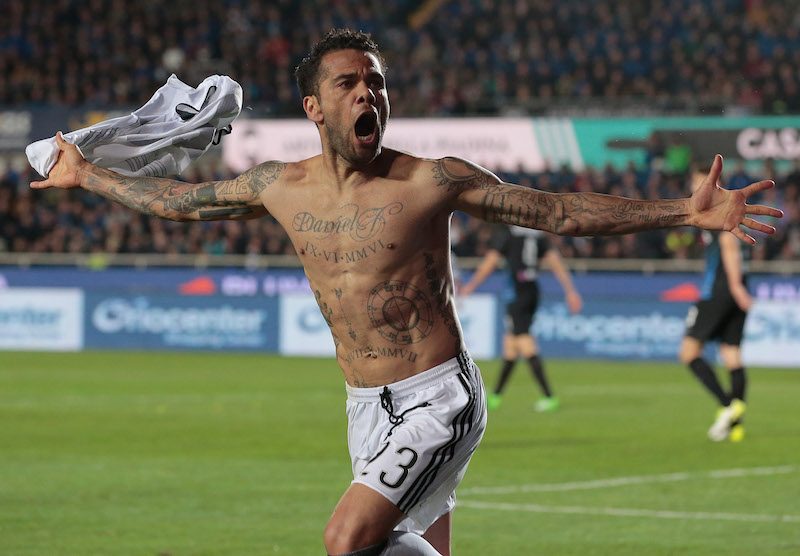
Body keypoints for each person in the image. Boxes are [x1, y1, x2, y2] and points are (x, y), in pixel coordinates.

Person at [31, 28, 781, 556]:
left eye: (377, 83)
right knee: (411, 546)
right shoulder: (278, 185)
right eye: (349, 83)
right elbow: (180, 203)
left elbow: (554, 212)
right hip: (363, 406)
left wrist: (684, 212)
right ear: (314, 108)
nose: (370, 94)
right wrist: (87, 174)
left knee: (348, 540)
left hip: (437, 396)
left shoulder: (430, 180)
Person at [459, 225, 582, 412]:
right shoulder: (537, 235)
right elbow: (555, 262)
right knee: (510, 347)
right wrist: (570, 291)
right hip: (532, 291)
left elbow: (490, 262)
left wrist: (471, 286)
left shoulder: (508, 234)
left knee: (525, 342)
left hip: (516, 293)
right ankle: (495, 396)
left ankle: (549, 397)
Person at [679, 168, 753, 443]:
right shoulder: (727, 207)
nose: (696, 187)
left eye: (699, 182)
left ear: (714, 183)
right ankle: (736, 427)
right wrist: (740, 287)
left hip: (719, 291)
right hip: (736, 287)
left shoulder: (720, 209)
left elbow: (728, 244)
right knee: (731, 353)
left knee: (688, 353)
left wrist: (734, 286)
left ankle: (727, 405)